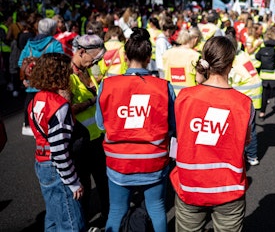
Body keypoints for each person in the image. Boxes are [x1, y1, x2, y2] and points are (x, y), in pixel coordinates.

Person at [96, 27, 176, 232]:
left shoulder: (107, 85)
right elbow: (172, 126)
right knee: (157, 209)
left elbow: (100, 124)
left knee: (116, 211)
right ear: (149, 57)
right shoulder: (163, 86)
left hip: (118, 160)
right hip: (153, 159)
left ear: (125, 55)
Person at [170, 36, 253, 232]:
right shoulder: (244, 104)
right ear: (231, 63)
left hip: (190, 184)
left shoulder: (185, 97)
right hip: (228, 187)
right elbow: (245, 142)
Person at [28, 53, 86, 231]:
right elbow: (60, 150)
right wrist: (73, 181)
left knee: (53, 218)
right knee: (72, 224)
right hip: (56, 167)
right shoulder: (58, 106)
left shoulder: (37, 98)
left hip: (42, 161)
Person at [69, 34, 110, 225]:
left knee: (103, 181)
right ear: (81, 52)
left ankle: (108, 216)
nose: (95, 62)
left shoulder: (87, 69)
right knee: (83, 185)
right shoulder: (67, 75)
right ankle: (82, 222)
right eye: (93, 58)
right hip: (79, 140)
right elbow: (66, 109)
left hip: (97, 137)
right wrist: (92, 101)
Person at [18, 18, 64, 136]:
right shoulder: (54, 44)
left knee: (30, 102)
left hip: (31, 81)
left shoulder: (29, 44)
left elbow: (20, 62)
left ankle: (28, 125)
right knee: (48, 104)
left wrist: (25, 77)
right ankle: (45, 126)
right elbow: (61, 63)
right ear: (53, 29)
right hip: (48, 82)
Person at [228, 34, 262, 166]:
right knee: (251, 127)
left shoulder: (233, 63)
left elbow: (228, 82)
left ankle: (241, 155)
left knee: (241, 129)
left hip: (245, 96)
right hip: (254, 95)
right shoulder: (242, 54)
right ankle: (253, 157)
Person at [162, 26, 202, 96]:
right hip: (188, 97)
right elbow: (200, 79)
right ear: (195, 39)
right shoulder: (195, 56)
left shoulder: (167, 53)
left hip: (170, 95)